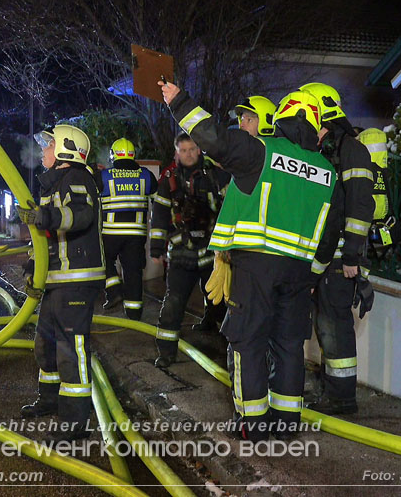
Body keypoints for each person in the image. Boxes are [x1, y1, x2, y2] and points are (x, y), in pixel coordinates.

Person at [160, 80, 343, 441]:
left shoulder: (262, 150)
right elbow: (331, 231)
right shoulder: (327, 172)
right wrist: (314, 274)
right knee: (289, 345)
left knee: (248, 342)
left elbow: (214, 139)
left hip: (257, 265)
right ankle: (287, 423)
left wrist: (179, 102)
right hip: (299, 272)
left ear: (283, 118)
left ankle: (252, 424)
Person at [16, 124, 105, 442]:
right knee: (46, 346)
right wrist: (32, 268)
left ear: (66, 150)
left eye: (49, 144)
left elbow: (80, 215)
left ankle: (74, 423)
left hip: (76, 282)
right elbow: (43, 240)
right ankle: (49, 401)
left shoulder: (78, 179)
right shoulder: (54, 184)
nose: (43, 149)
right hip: (56, 282)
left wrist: (45, 217)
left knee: (71, 351)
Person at [298, 82, 375, 415]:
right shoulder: (322, 150)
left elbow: (360, 206)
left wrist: (351, 257)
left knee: (334, 328)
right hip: (320, 257)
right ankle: (333, 391)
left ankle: (342, 398)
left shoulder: (352, 150)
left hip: (340, 260)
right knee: (324, 327)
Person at [150, 133, 229, 368]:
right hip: (181, 254)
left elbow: (232, 208)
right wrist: (156, 248)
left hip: (211, 253)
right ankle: (166, 352)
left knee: (219, 302)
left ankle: (231, 350)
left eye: (193, 149)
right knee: (173, 303)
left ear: (200, 149)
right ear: (176, 153)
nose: (189, 154)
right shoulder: (169, 179)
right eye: (183, 150)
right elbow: (160, 215)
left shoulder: (216, 175)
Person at [95, 138, 157, 320]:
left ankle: (114, 292)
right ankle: (134, 313)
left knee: (103, 262)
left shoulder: (104, 176)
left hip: (111, 233)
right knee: (133, 272)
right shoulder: (146, 175)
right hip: (137, 235)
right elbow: (160, 202)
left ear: (113, 155)